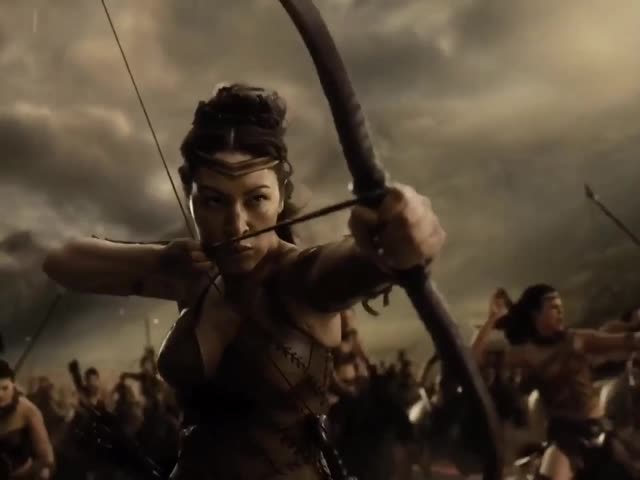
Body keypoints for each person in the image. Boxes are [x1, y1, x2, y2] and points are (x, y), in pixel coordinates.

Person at [42, 83, 445, 480]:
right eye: (214, 200)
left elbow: (365, 261)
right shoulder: (191, 274)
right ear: (189, 195)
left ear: (281, 194)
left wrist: (397, 235)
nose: (236, 225)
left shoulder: (301, 276)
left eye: (256, 199)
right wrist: (160, 259)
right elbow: (60, 261)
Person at [485, 284, 640, 480]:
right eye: (553, 307)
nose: (561, 312)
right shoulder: (527, 353)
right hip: (566, 439)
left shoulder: (577, 339)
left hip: (600, 431)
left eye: (561, 307)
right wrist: (492, 319)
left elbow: (626, 341)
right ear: (536, 315)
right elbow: (474, 358)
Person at [0, 360, 54, 479]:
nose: (0, 394)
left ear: (13, 385)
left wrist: (40, 472)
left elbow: (46, 458)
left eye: (5, 388)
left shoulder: (28, 410)